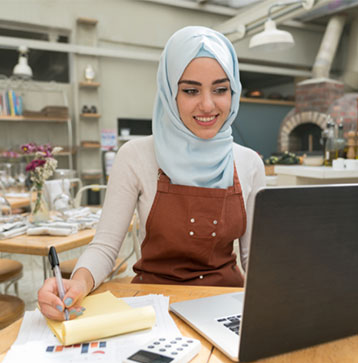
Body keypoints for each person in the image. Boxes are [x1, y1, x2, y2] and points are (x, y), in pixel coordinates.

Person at [38, 26, 266, 321]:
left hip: (224, 309)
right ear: (170, 91)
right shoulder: (135, 156)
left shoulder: (249, 163)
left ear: (233, 91)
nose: (208, 105)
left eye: (220, 89)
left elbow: (252, 259)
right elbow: (106, 247)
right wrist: (77, 283)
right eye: (191, 90)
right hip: (152, 308)